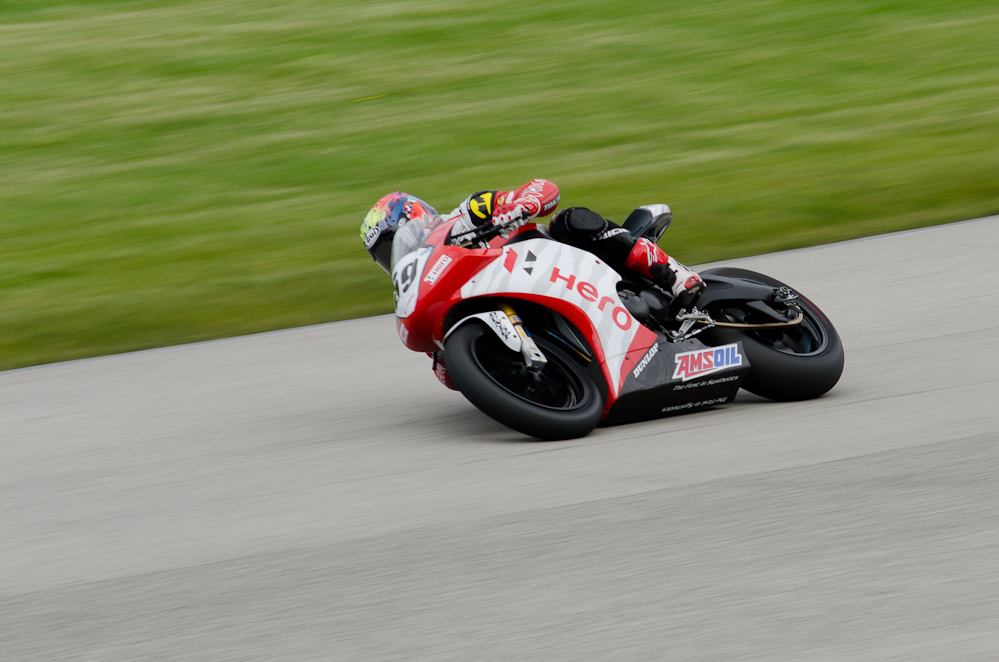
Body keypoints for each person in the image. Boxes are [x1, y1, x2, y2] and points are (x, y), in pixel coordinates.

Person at [360, 179, 705, 307]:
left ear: (415, 217)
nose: (394, 259)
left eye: (394, 245)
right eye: (384, 258)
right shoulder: (425, 286)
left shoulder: (465, 215)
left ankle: (674, 273)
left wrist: (520, 206)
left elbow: (542, 188)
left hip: (552, 263)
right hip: (521, 297)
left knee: (568, 220)